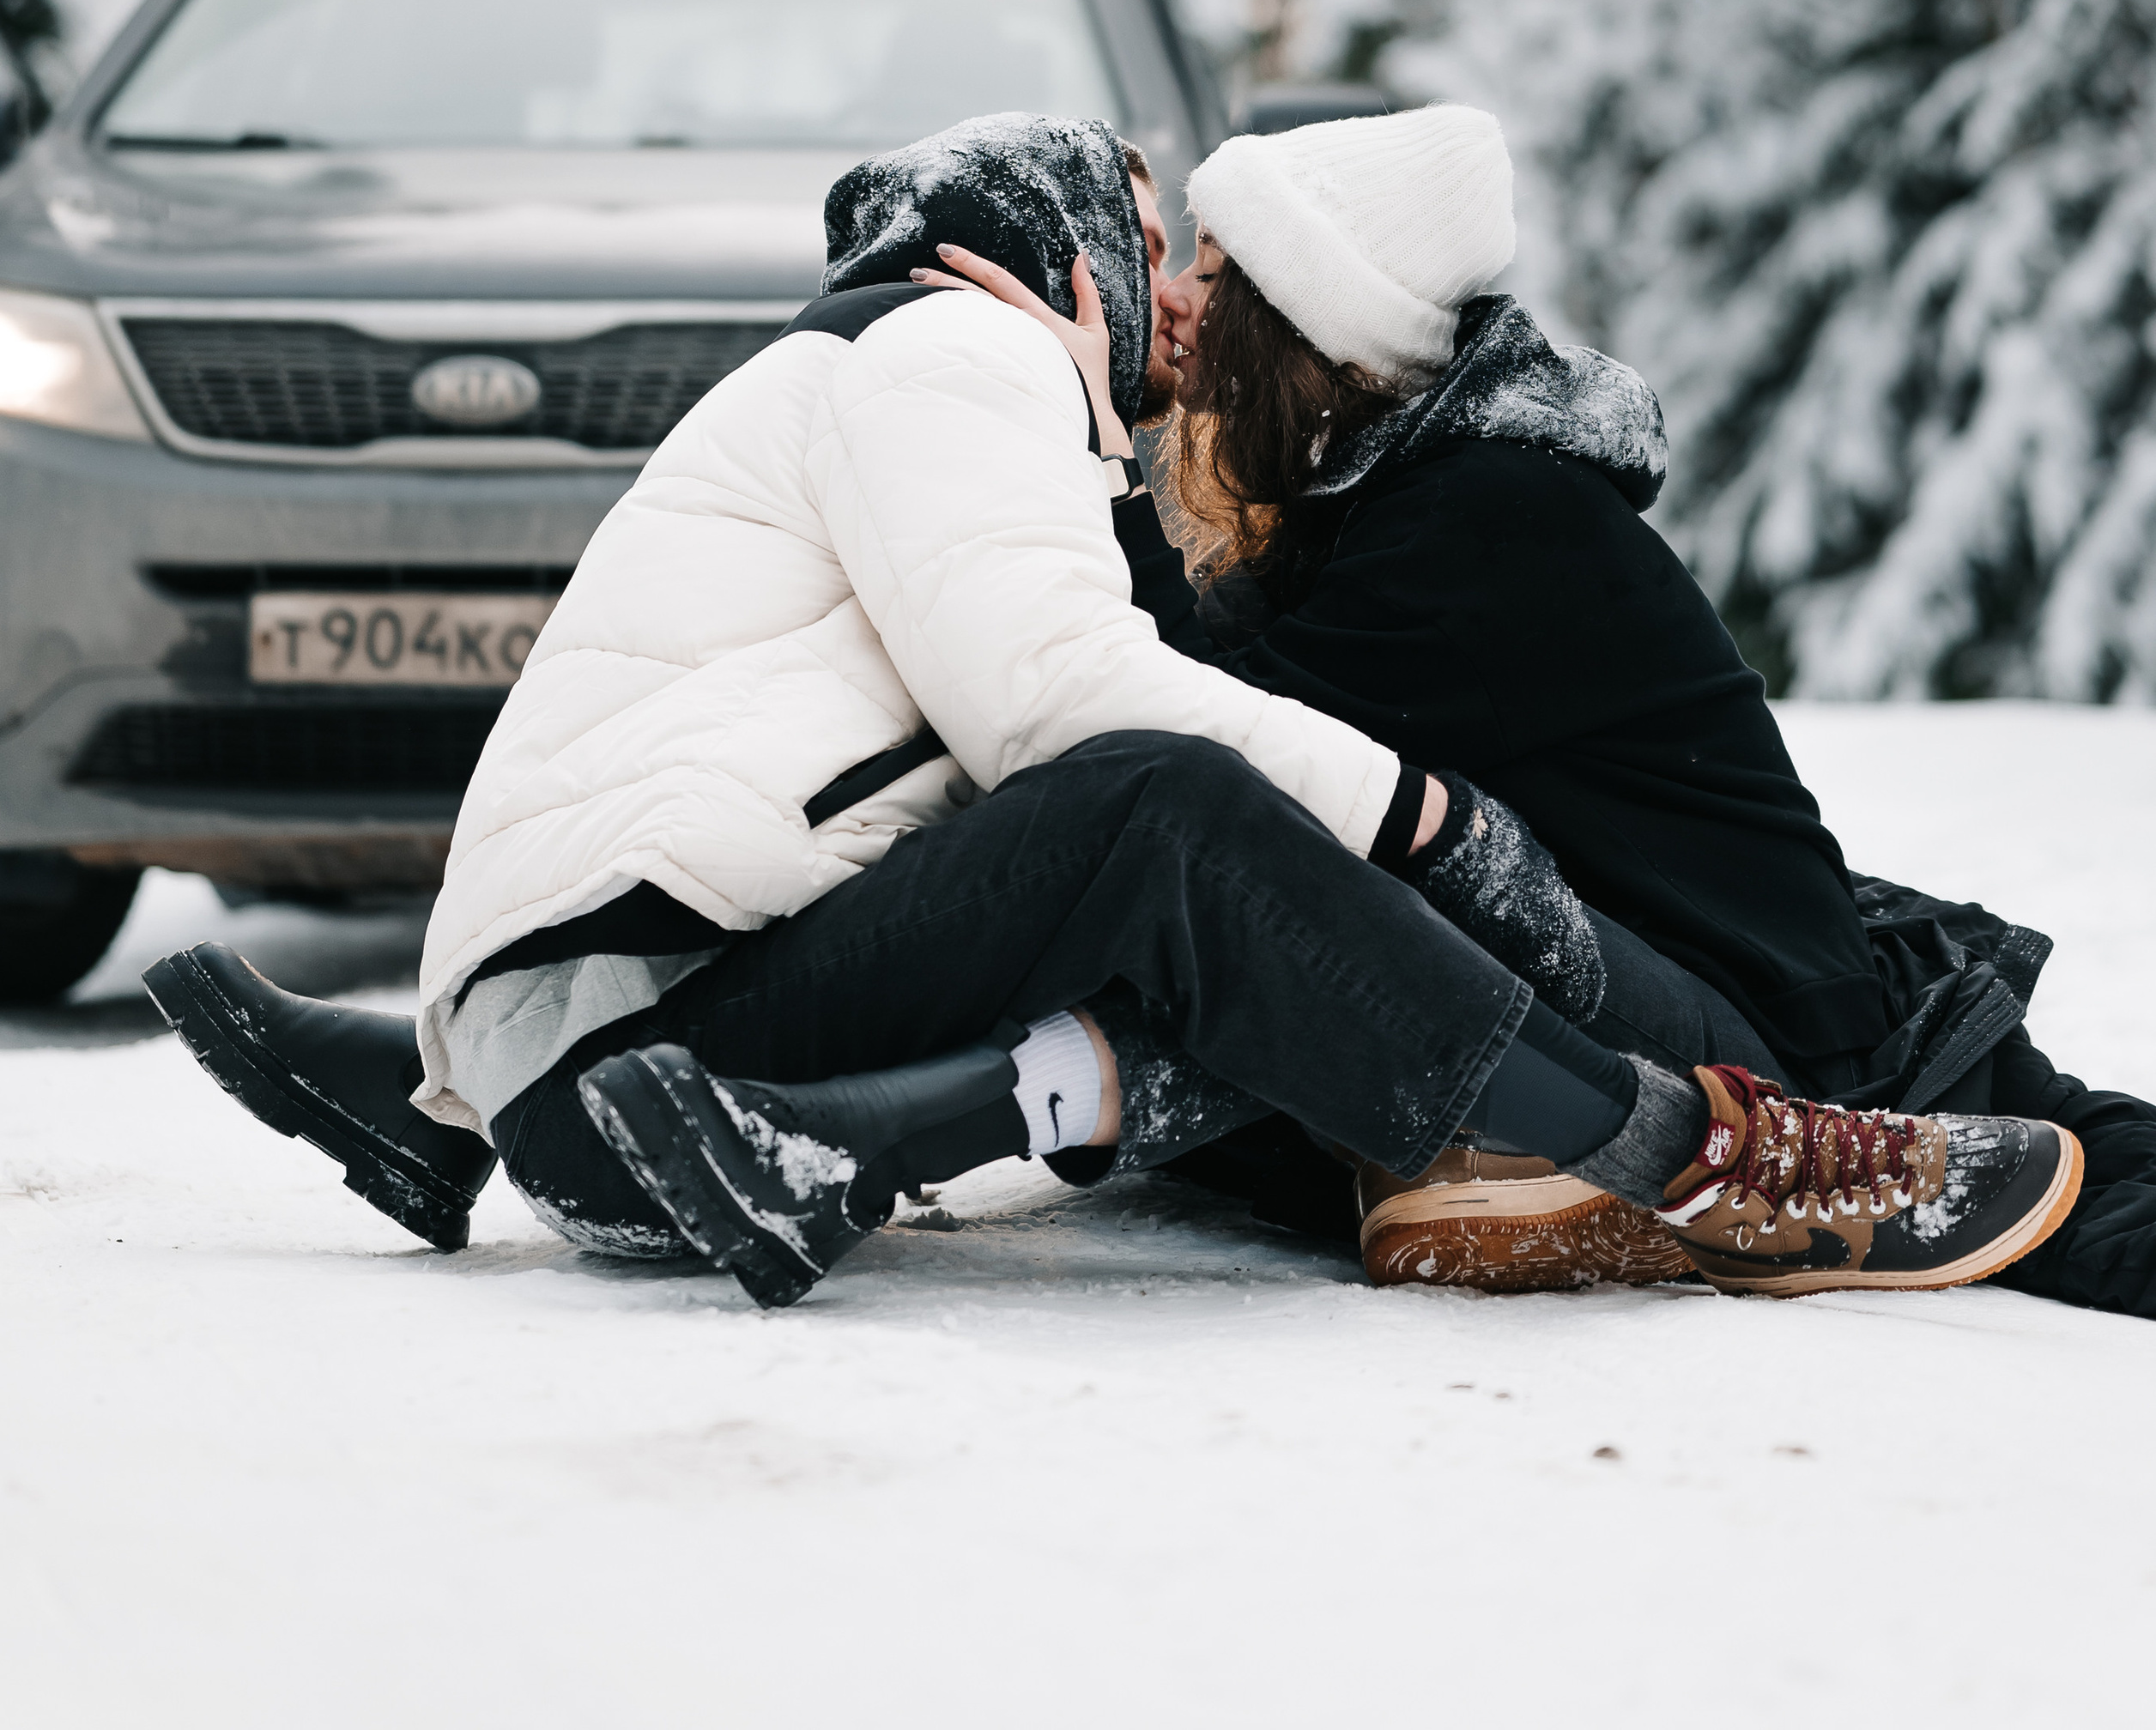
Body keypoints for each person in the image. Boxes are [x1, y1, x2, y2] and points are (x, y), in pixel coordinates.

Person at [144, 110, 2076, 1310]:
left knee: (1186, 834)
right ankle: (1698, 1162)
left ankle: (716, 1129)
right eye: (1147, 250)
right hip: (650, 1069)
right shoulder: (954, 355)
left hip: (624, 1071)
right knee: (1174, 813)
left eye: (1203, 276)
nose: (1167, 311)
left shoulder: (908, 386)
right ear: (1053, 249)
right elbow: (1073, 704)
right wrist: (1422, 817)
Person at [993, 99, 2150, 1322]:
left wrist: (1103, 451)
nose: (1175, 301)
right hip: (1699, 974)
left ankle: (1610, 1184)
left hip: (1777, 1071)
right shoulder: (1398, 494)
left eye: (1216, 280)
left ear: (1311, 320)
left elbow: (1203, 741)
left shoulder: (1479, 516)